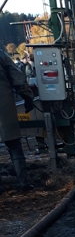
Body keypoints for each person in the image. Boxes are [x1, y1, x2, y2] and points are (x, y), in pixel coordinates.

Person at [0, 48, 35, 191]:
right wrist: (28, 96)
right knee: (14, 146)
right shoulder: (1, 54)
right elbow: (16, 75)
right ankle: (24, 183)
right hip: (4, 105)